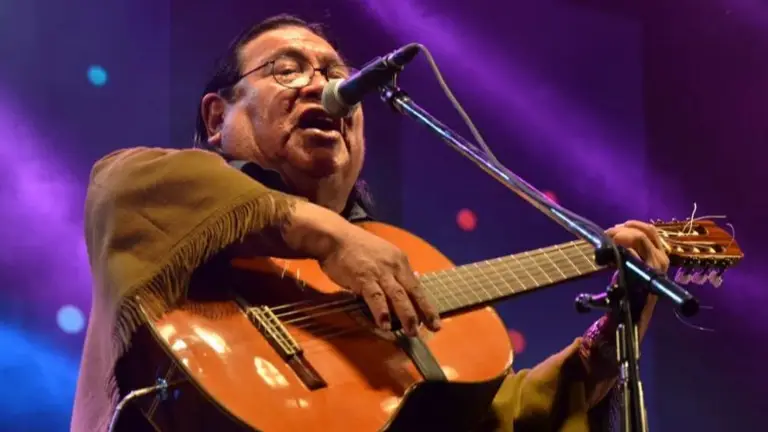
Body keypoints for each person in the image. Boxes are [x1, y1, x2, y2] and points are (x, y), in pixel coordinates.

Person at [71, 13, 669, 432]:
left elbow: (496, 419)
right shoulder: (160, 191)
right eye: (286, 69)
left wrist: (603, 348)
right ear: (215, 117)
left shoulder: (395, 258)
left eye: (335, 74)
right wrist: (332, 238)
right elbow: (121, 184)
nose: (324, 86)